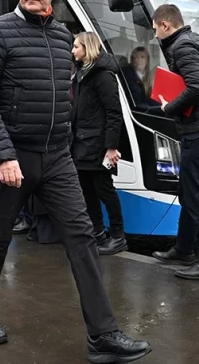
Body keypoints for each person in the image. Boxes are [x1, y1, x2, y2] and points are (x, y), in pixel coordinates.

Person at [0, 0, 150, 362]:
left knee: (82, 237)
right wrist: (4, 153)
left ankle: (103, 334)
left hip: (57, 157)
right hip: (13, 158)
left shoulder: (63, 37)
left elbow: (62, 98)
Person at [151, 3, 199, 282]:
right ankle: (183, 249)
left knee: (197, 199)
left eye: (156, 29)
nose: (156, 35)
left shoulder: (181, 46)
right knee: (188, 192)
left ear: (165, 25)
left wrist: (169, 107)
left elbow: (198, 86)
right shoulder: (198, 40)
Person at [70, 32, 128, 255]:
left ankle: (118, 236)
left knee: (105, 191)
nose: (72, 51)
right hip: (82, 144)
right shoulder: (81, 74)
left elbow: (114, 113)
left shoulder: (102, 75)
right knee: (87, 191)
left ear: (87, 48)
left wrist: (111, 147)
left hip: (98, 146)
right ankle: (97, 233)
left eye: (76, 47)